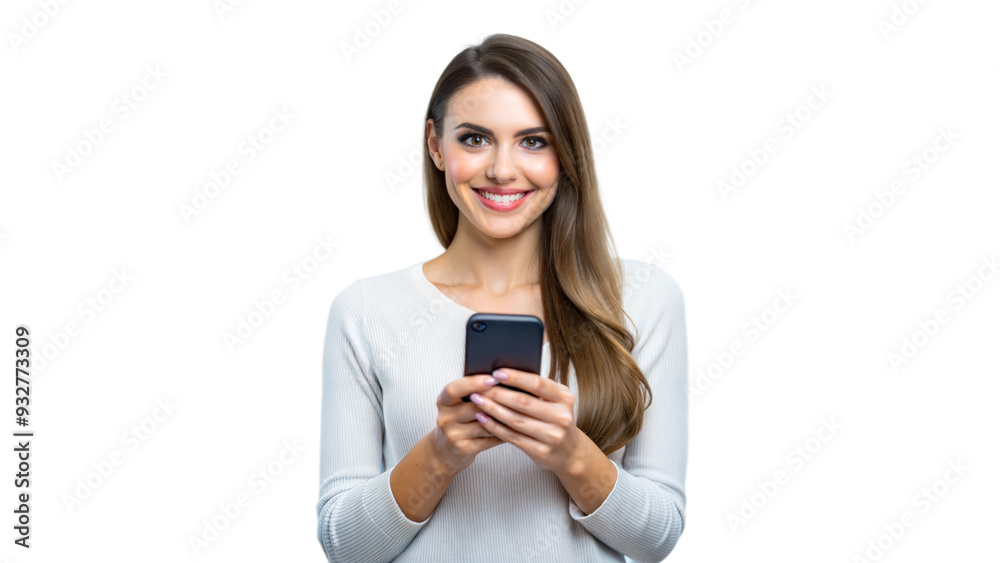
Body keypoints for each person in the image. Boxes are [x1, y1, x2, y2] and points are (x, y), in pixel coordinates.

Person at [316, 33, 688, 562]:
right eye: (474, 139)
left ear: (566, 154)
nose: (502, 169)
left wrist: (570, 453)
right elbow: (345, 546)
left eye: (534, 141)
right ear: (434, 145)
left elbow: (658, 538)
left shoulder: (643, 300)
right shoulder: (365, 311)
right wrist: (441, 454)